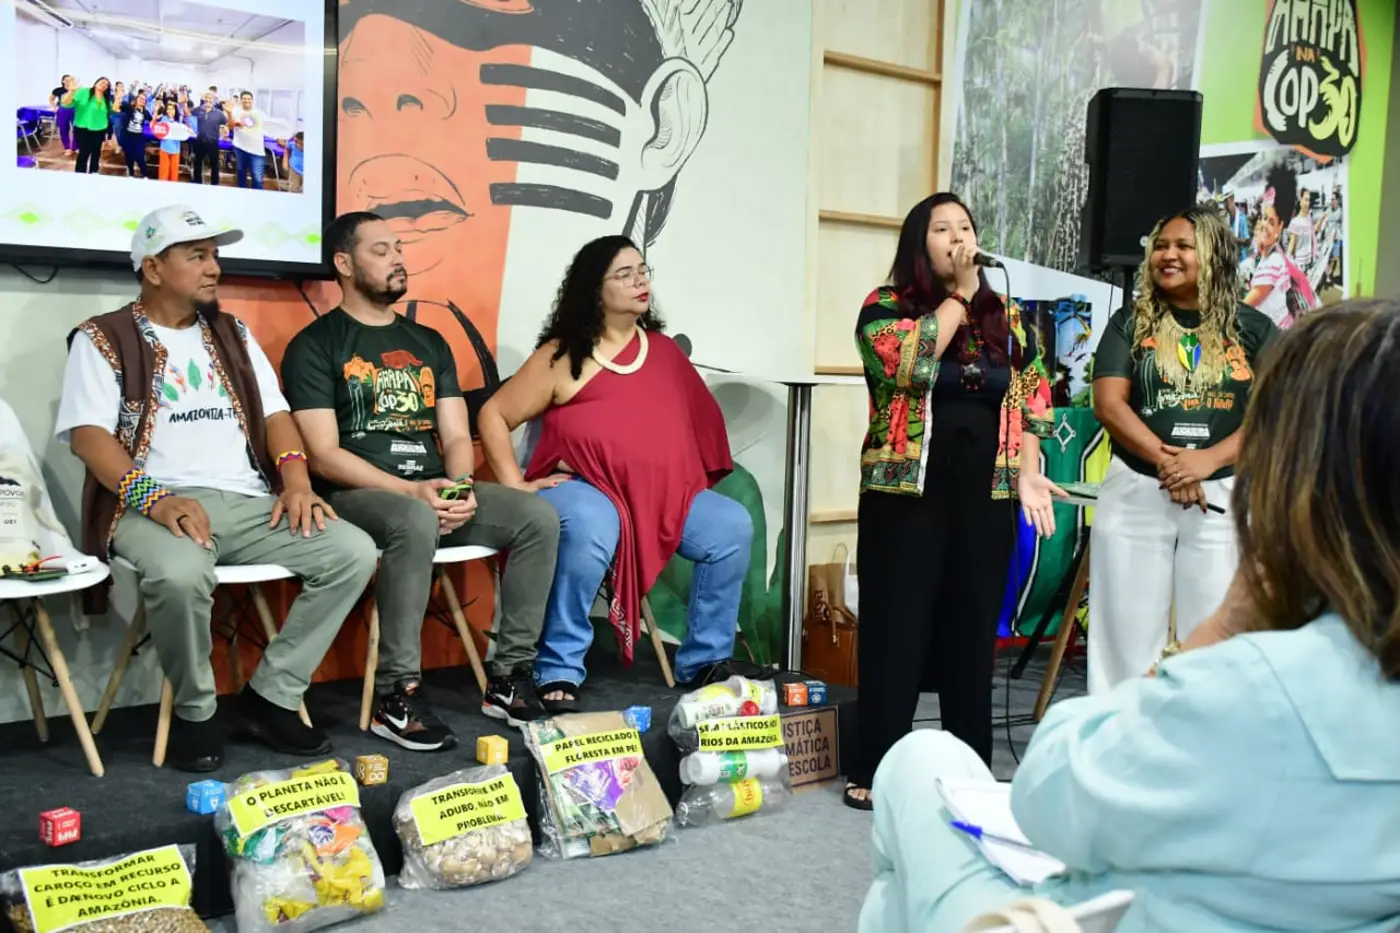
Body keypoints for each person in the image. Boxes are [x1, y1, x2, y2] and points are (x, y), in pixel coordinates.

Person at [859, 300, 1400, 933]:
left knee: (920, 763)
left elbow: (1048, 800)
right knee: (893, 898)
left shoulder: (1252, 682)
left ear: (1296, 475)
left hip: (1127, 912)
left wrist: (1223, 626)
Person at [54, 205, 379, 773]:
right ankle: (196, 712)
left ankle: (271, 698)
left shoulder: (232, 333)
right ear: (153, 268)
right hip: (150, 506)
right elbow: (88, 437)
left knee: (352, 551)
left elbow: (277, 416)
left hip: (249, 502)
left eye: (215, 255)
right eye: (197, 256)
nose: (214, 268)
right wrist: (157, 500)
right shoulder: (102, 337)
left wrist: (296, 482)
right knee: (180, 574)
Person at [283, 212, 560, 744]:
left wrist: (459, 489)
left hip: (431, 491)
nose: (398, 259)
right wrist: (411, 491)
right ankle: (398, 693)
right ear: (344, 264)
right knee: (412, 518)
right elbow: (323, 455)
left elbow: (455, 435)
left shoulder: (429, 341)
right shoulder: (316, 344)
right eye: (381, 250)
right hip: (356, 496)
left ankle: (510, 676)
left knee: (536, 518)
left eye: (399, 248)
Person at [846, 192, 1062, 811]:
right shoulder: (885, 307)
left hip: (985, 496)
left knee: (971, 634)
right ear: (920, 243)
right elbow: (910, 364)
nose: (958, 238)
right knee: (897, 629)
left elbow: (1032, 395)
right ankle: (877, 765)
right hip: (905, 496)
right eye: (942, 229)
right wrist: (962, 296)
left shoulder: (1007, 318)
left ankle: (968, 770)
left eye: (965, 227)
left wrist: (1027, 471)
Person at [477, 236, 749, 711]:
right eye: (624, 274)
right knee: (590, 525)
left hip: (661, 494)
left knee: (730, 526)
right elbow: (494, 415)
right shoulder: (562, 355)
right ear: (593, 289)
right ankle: (558, 666)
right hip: (586, 489)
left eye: (642, 271)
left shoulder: (663, 351)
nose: (639, 281)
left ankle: (705, 661)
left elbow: (697, 425)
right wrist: (514, 486)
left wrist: (661, 470)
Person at [1089, 205, 1277, 695]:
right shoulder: (1129, 323)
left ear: (1214, 255)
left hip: (1224, 492)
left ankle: (1205, 735)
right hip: (1137, 489)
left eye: (1183, 246)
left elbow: (1277, 412)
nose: (1167, 255)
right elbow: (1108, 403)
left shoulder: (1254, 329)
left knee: (1215, 635)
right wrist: (1171, 463)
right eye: (1161, 246)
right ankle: (1120, 732)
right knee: (1123, 637)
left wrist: (1207, 461)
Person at [1242, 165, 1319, 327]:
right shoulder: (1269, 257)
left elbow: (1244, 307)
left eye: (1271, 222)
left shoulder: (1274, 262)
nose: (1264, 225)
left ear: (1280, 227)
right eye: (1264, 218)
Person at [64, 77, 113, 174]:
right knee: (84, 152)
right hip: (83, 128)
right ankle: (80, 173)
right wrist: (71, 91)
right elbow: (66, 103)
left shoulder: (106, 99)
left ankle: (93, 172)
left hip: (100, 130)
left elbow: (112, 110)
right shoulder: (83, 92)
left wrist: (119, 98)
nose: (104, 85)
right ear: (95, 83)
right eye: (102, 82)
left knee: (96, 153)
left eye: (106, 84)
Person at [190, 91, 227, 186]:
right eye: (206, 97)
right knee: (197, 163)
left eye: (210, 98)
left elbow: (226, 124)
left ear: (214, 100)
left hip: (213, 142)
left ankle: (214, 184)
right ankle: (197, 182)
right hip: (200, 141)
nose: (208, 100)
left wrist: (224, 130)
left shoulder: (219, 113)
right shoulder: (198, 109)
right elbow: (189, 115)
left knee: (214, 165)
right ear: (204, 99)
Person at [231, 91, 267, 189]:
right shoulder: (235, 111)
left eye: (249, 99)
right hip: (240, 148)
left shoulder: (259, 113)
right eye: (244, 99)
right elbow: (229, 125)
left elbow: (269, 126)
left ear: (252, 100)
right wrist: (233, 119)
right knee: (241, 174)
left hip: (256, 151)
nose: (247, 100)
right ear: (240, 100)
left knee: (257, 178)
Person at [118, 91, 150, 179]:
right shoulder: (129, 108)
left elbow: (152, 120)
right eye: (140, 98)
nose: (142, 100)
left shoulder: (146, 112)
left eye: (144, 99)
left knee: (140, 155)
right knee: (129, 155)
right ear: (136, 99)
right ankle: (131, 173)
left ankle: (145, 174)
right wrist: (118, 98)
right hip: (128, 135)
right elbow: (117, 108)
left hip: (139, 137)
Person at [155, 101, 183, 181]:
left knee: (174, 174)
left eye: (172, 109)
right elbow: (155, 123)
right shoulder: (163, 119)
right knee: (163, 174)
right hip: (165, 149)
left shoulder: (179, 121)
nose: (170, 111)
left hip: (175, 150)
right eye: (168, 109)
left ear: (175, 111)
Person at [50, 74, 76, 156]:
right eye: (67, 79)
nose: (69, 81)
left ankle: (75, 147)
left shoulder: (76, 90)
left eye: (71, 79)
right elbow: (51, 98)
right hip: (62, 110)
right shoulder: (58, 90)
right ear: (63, 81)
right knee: (63, 129)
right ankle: (67, 148)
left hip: (75, 110)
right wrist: (54, 108)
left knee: (77, 129)